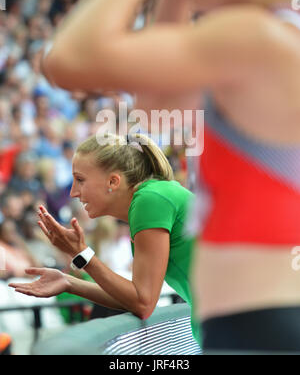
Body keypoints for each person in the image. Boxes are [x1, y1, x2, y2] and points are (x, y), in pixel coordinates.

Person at [39, 0, 300, 352]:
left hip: (264, 319)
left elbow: (66, 59)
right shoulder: (272, 36)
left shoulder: (252, 35)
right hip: (261, 315)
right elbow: (156, 100)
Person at [9, 133, 200, 345]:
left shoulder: (149, 200)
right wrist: (69, 283)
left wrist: (81, 254)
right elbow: (134, 298)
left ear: (113, 181)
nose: (73, 192)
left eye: (80, 180)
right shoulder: (151, 197)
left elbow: (143, 303)